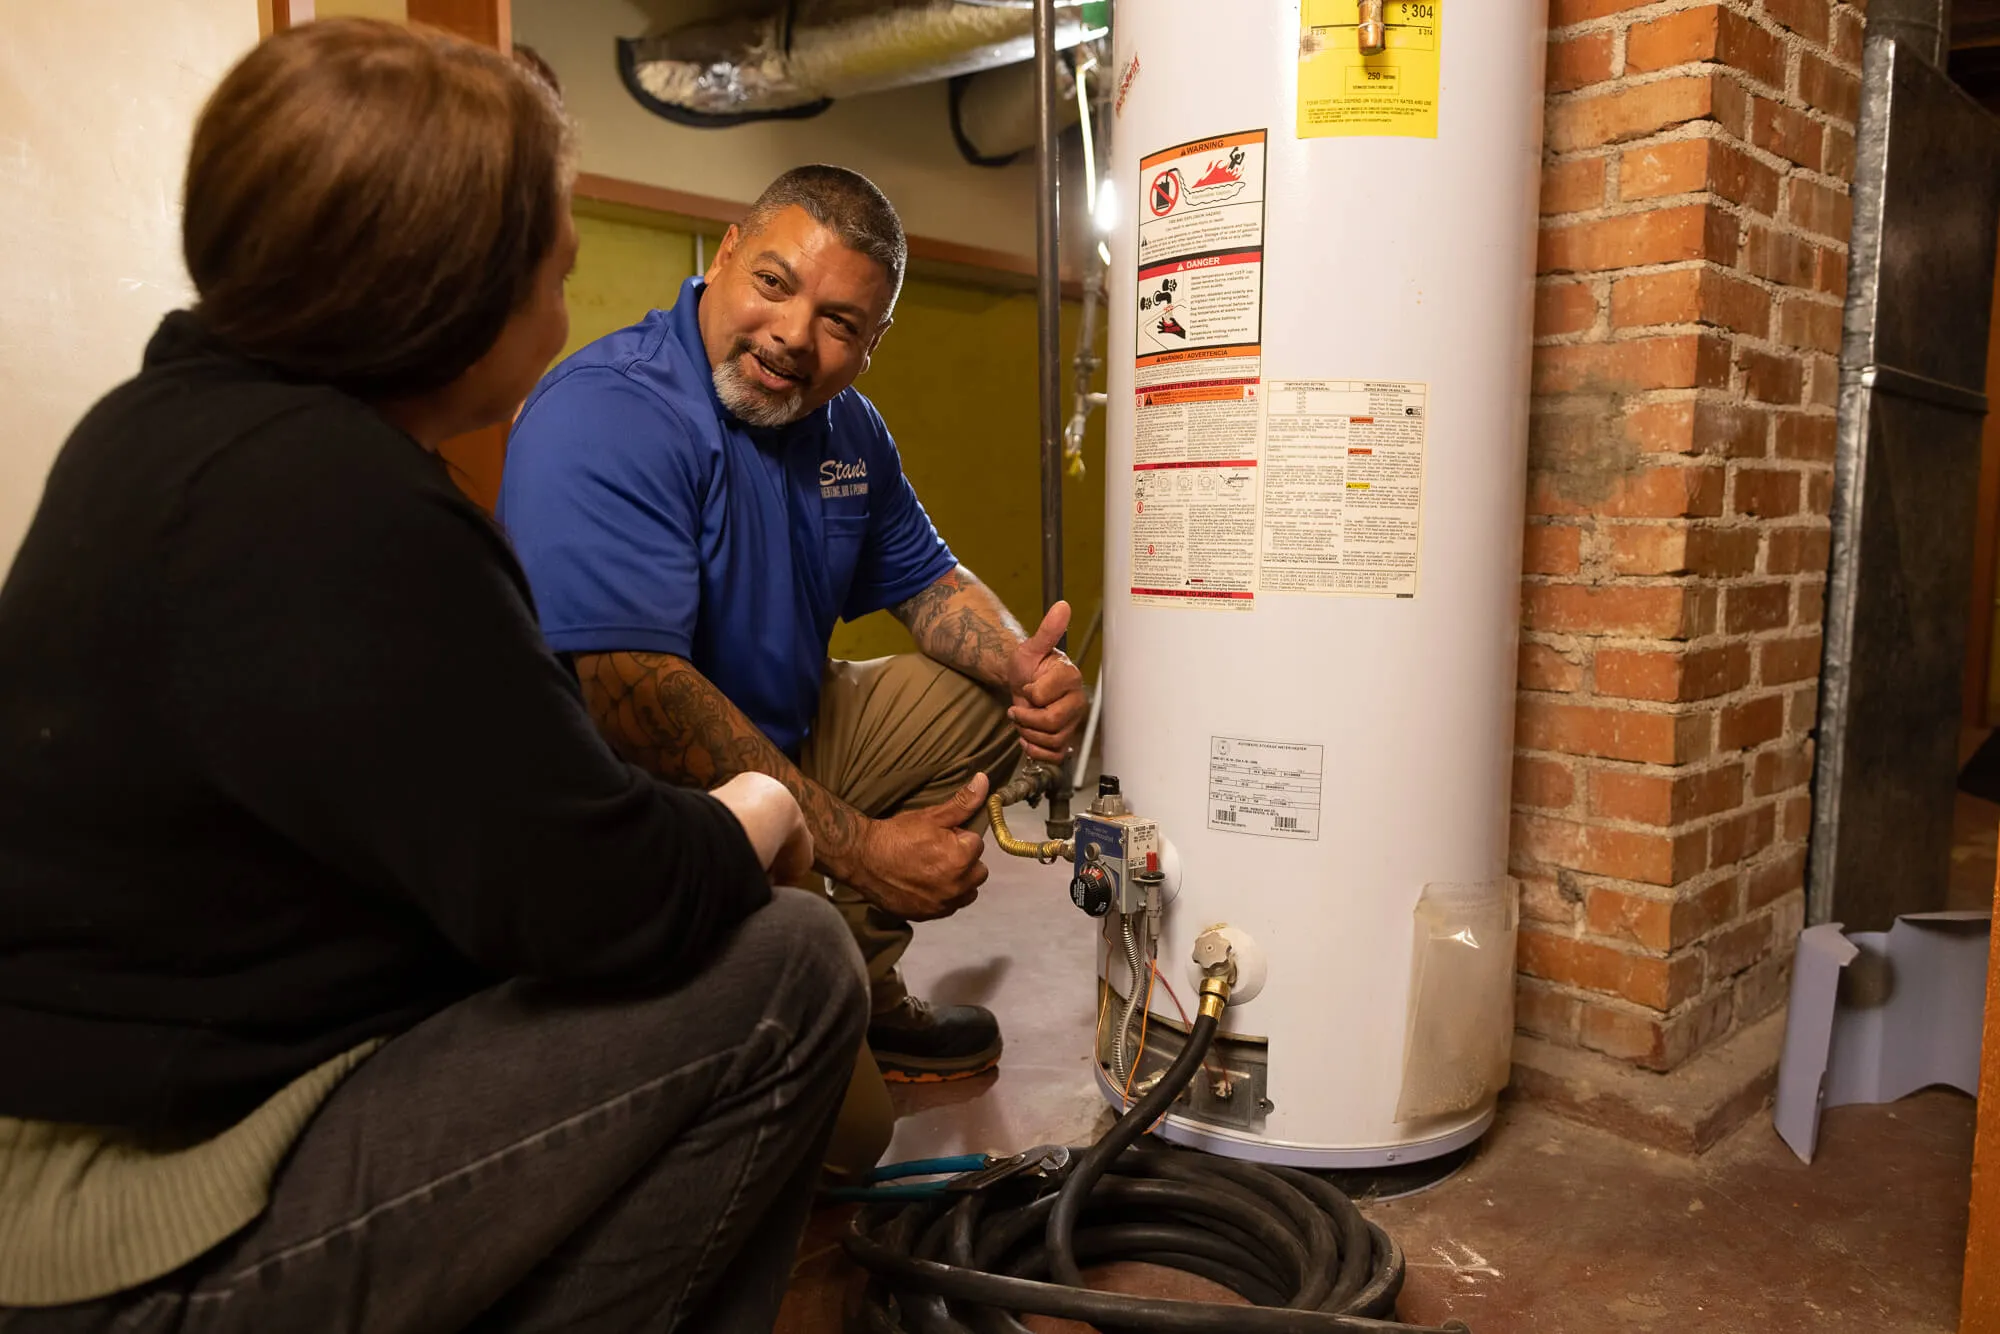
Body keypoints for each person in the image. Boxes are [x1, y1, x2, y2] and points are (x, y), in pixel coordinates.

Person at [0, 20, 862, 1334]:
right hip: (128, 1234)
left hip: (109, 1144)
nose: (565, 309)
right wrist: (761, 809)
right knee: (792, 966)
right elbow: (597, 898)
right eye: (555, 270)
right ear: (457, 292)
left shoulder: (155, 430)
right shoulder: (341, 506)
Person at [498, 165, 1090, 1100]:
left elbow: (933, 581)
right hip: (640, 805)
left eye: (840, 323)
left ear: (871, 343)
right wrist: (865, 851)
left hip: (784, 735)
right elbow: (635, 698)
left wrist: (1027, 663)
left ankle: (854, 980)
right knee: (845, 1144)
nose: (792, 337)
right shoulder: (610, 410)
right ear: (727, 254)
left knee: (985, 692)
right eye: (776, 284)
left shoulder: (846, 429)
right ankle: (740, 995)